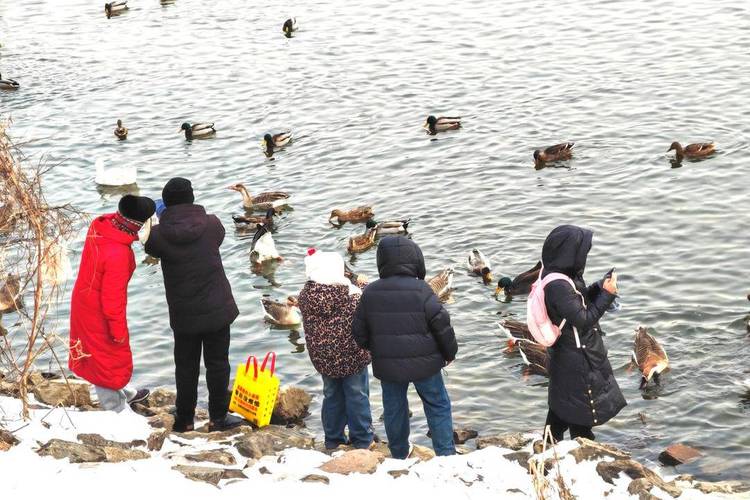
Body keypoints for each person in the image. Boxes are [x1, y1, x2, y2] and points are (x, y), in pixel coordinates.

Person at [144, 177, 241, 432]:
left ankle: (185, 418)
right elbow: (217, 238)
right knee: (218, 363)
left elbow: (148, 245)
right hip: (217, 309)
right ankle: (218, 419)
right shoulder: (212, 224)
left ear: (166, 203)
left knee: (186, 366)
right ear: (192, 198)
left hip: (185, 314)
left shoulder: (158, 236)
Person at [353, 236, 458, 459]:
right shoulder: (423, 290)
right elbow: (442, 326)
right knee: (437, 404)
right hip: (426, 365)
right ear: (416, 261)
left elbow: (359, 333)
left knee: (394, 409)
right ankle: (446, 454)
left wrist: (378, 348)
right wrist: (450, 354)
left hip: (389, 367)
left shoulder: (370, 293)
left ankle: (399, 453)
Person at [540, 225, 626, 442]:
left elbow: (576, 304)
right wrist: (607, 295)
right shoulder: (558, 285)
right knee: (580, 410)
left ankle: (549, 445)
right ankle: (583, 450)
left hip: (568, 352)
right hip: (576, 355)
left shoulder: (559, 274)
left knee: (563, 404)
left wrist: (598, 287)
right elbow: (583, 320)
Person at [69, 195, 155, 412]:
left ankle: (124, 392)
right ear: (139, 224)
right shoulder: (118, 254)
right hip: (97, 311)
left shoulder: (101, 226)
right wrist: (118, 330)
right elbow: (112, 300)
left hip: (83, 301)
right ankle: (115, 411)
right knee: (105, 356)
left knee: (101, 356)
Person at [297, 249, 374, 450]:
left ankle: (333, 438)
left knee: (331, 395)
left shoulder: (305, 296)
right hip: (352, 358)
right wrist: (362, 282)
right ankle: (362, 439)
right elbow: (368, 296)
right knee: (357, 395)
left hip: (324, 359)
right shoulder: (351, 297)